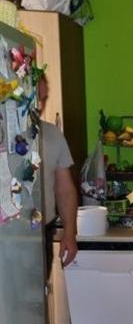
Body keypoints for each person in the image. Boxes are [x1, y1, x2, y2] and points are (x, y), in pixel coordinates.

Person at [38, 75, 78, 269]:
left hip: (43, 231)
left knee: (39, 287)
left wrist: (70, 233)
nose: (40, 105)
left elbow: (65, 190)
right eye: (36, 97)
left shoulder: (53, 134)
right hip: (7, 235)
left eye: (44, 99)